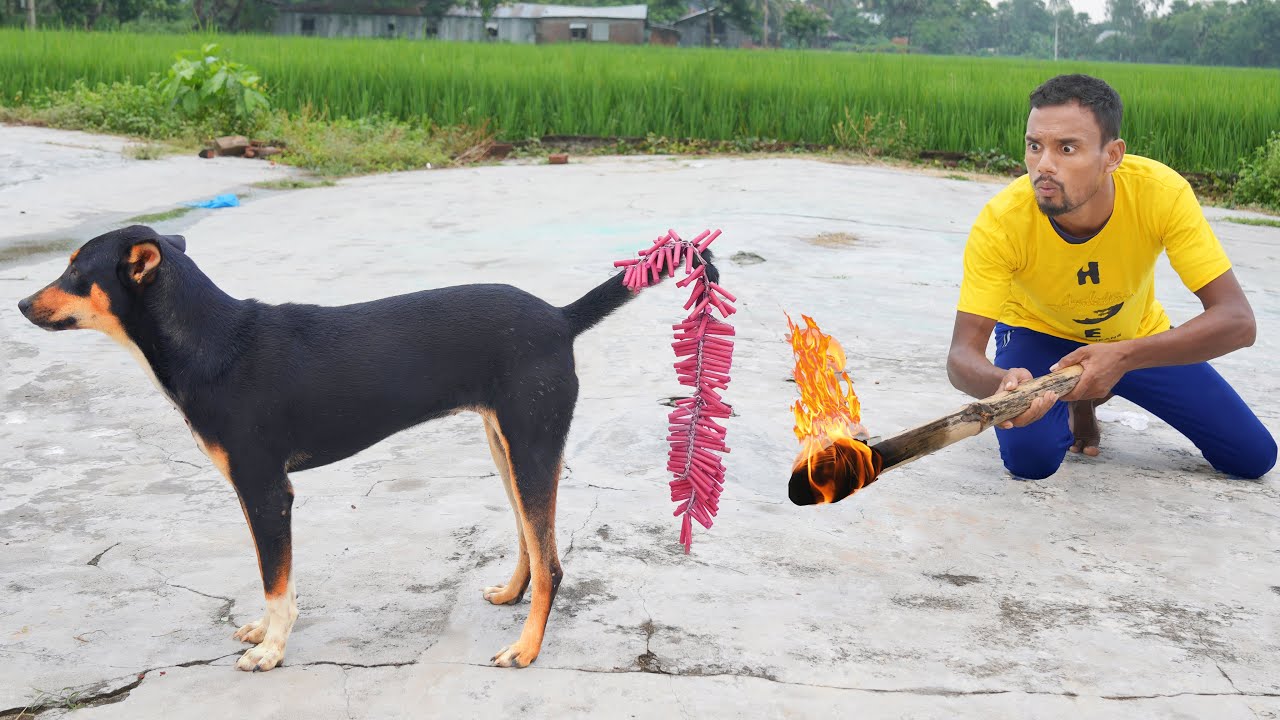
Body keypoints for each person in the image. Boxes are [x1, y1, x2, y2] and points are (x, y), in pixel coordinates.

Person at [946, 73, 1275, 481]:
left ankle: (1093, 393)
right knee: (1031, 461)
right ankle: (1074, 402)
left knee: (1253, 457)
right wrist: (1003, 383)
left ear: (1112, 155)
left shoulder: (1160, 194)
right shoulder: (1002, 222)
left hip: (1132, 336)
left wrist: (1122, 357)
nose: (1044, 165)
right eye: (1035, 146)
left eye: (1067, 148)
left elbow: (1238, 322)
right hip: (1039, 336)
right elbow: (961, 358)